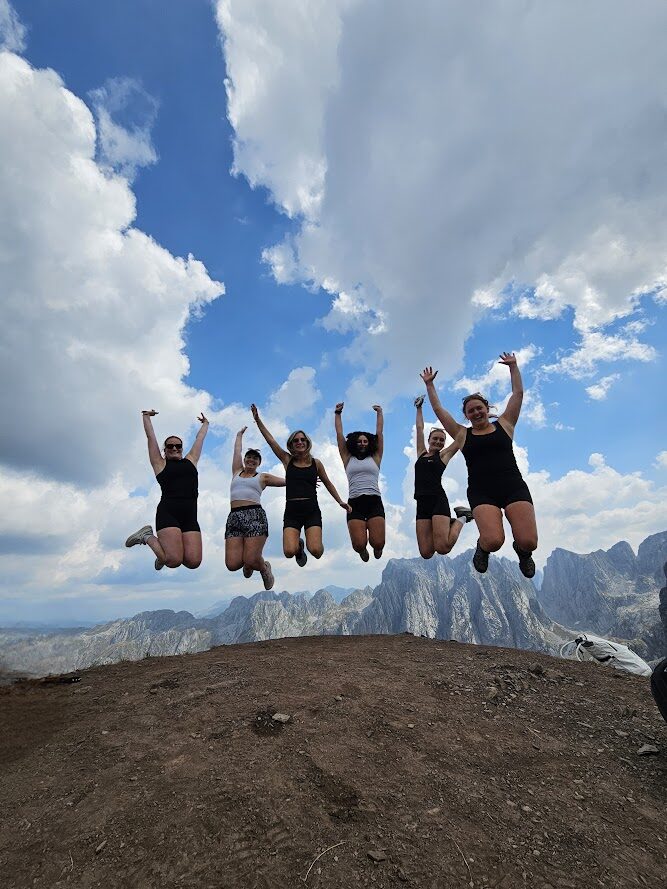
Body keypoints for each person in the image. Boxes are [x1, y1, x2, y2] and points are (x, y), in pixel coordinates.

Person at [420, 352, 537, 577]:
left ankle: (523, 553)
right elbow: (438, 411)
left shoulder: (505, 424)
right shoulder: (462, 434)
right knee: (493, 540)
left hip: (514, 487)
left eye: (479, 408)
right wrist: (430, 385)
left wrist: (513, 366)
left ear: (487, 408)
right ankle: (482, 548)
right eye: (470, 411)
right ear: (466, 416)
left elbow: (518, 394)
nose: (476, 412)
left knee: (528, 541)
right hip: (482, 492)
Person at [251, 403, 351, 566]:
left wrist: (340, 501)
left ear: (307, 442)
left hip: (311, 510)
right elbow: (271, 441)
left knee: (317, 552)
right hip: (292, 511)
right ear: (291, 444)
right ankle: (299, 547)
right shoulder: (287, 460)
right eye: (296, 440)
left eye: (303, 439)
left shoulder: (316, 463)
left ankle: (313, 543)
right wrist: (258, 420)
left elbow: (328, 483)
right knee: (289, 552)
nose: (300, 442)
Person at [125, 410, 209, 571]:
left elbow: (200, 439)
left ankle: (161, 553)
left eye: (178, 445)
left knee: (193, 562)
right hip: (168, 513)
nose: (175, 448)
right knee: (173, 561)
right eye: (170, 446)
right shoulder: (159, 463)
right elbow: (151, 438)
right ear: (165, 450)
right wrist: (146, 418)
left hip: (190, 516)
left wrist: (206, 424)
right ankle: (146, 536)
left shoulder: (191, 460)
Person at [224, 426, 286, 590]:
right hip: (234, 517)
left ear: (259, 463)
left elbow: (288, 481)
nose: (251, 460)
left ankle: (264, 568)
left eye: (255, 459)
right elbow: (236, 452)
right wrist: (238, 435)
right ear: (245, 460)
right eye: (249, 457)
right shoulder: (236, 471)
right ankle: (249, 562)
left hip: (254, 517)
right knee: (232, 564)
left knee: (251, 559)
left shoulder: (263, 477)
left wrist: (306, 479)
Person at [413, 395, 472, 559]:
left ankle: (461, 518)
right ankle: (446, 525)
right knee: (426, 553)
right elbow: (419, 429)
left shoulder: (444, 455)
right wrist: (419, 409)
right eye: (435, 439)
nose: (438, 442)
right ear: (429, 440)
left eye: (441, 440)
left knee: (443, 548)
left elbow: (461, 437)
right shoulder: (421, 453)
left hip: (437, 501)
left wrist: (473, 420)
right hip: (422, 503)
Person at [334, 402, 385, 561]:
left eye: (365, 441)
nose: (362, 443)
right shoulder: (347, 458)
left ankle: (377, 547)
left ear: (369, 443)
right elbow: (339, 436)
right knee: (358, 545)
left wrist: (379, 413)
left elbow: (379, 433)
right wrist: (337, 414)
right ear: (355, 443)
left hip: (374, 501)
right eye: (359, 441)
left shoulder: (375, 457)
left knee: (378, 542)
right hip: (354, 503)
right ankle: (362, 550)